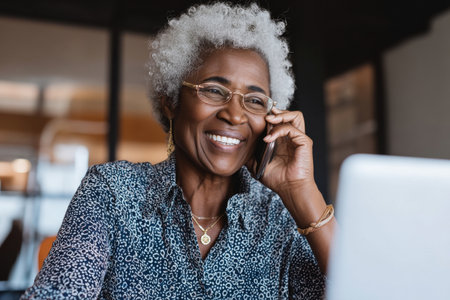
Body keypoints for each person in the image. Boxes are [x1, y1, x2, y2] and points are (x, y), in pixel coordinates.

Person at [22, 2, 335, 299]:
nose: (235, 115)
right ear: (171, 100)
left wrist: (301, 192)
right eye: (214, 90)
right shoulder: (114, 193)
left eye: (254, 101)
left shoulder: (281, 218)